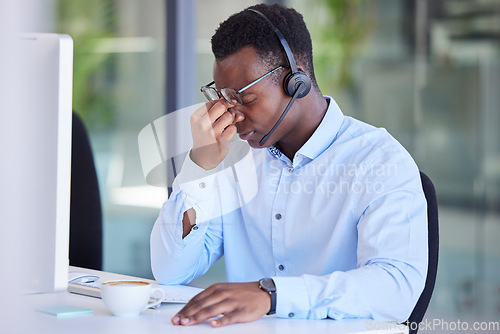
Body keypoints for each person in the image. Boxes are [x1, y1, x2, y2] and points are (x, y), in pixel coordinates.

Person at [150, 3, 428, 328]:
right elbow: (170, 270)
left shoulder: (378, 161)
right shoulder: (235, 160)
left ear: (296, 80)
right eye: (224, 98)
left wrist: (273, 295)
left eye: (244, 98)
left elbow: (396, 288)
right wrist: (199, 168)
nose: (233, 115)